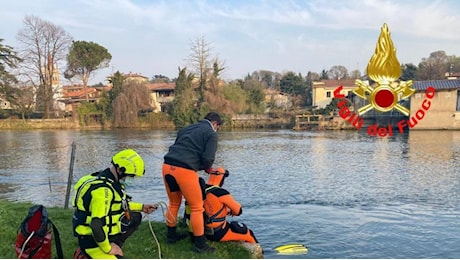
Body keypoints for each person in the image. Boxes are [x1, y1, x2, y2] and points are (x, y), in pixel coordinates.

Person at [72, 149, 157, 259]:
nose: (131, 179)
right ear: (120, 170)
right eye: (130, 176)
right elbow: (96, 225)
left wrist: (142, 207)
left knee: (135, 217)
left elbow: (119, 204)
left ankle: (114, 244)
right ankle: (93, 251)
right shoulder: (103, 191)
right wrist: (108, 248)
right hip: (92, 241)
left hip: (98, 235)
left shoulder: (103, 179)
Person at [162, 111, 223, 253]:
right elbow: (208, 159)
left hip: (167, 166)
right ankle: (200, 245)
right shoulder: (211, 134)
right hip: (185, 170)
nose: (217, 130)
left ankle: (171, 236)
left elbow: (180, 147)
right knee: (197, 207)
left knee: (174, 203)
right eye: (218, 127)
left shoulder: (186, 128)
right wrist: (207, 168)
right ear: (215, 124)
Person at [203, 168, 259, 244]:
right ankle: (259, 252)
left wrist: (226, 211)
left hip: (201, 230)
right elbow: (238, 211)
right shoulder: (221, 193)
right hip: (216, 233)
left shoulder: (201, 190)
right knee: (249, 233)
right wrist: (232, 211)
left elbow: (209, 210)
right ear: (222, 178)